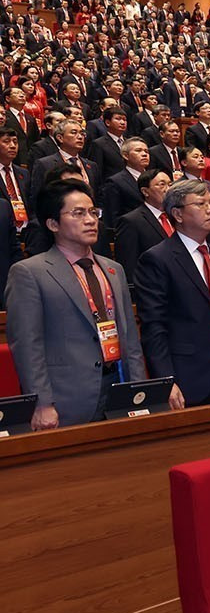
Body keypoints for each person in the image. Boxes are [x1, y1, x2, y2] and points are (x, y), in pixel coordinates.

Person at [6, 179, 148, 428]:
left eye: (93, 212)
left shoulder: (114, 269)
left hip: (119, 388)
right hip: (67, 398)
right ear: (52, 224)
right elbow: (28, 345)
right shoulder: (30, 272)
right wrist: (42, 402)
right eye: (78, 213)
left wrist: (137, 391)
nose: (91, 220)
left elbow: (130, 339)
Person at [134, 178, 210, 407]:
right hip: (188, 374)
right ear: (177, 215)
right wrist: (166, 380)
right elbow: (154, 326)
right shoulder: (157, 259)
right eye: (201, 204)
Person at [113, 168, 173, 274]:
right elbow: (128, 264)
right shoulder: (131, 221)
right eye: (162, 184)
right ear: (145, 191)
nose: (168, 189)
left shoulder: (176, 216)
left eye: (170, 184)